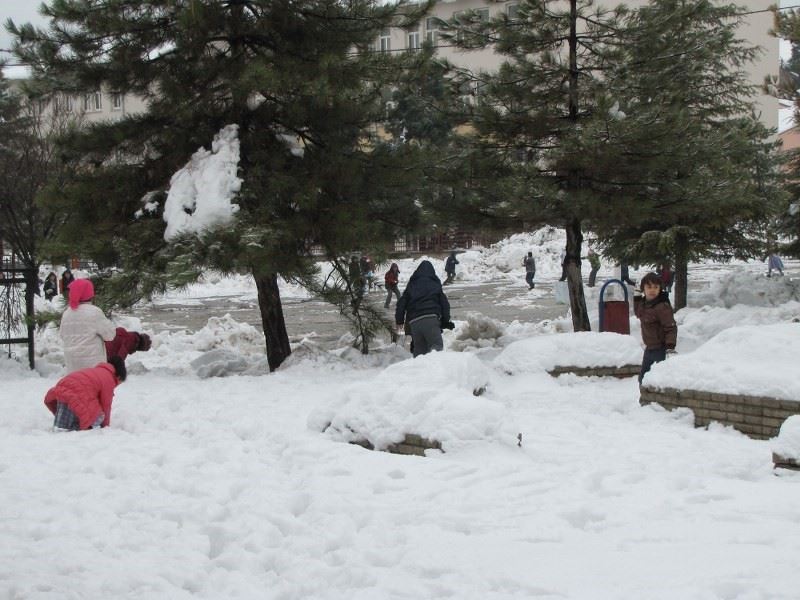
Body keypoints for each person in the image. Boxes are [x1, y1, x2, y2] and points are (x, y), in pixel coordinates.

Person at [44, 356, 127, 431]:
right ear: (118, 377)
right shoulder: (109, 379)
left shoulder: (96, 371)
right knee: (99, 417)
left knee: (62, 426)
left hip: (61, 393)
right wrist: (105, 427)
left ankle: (63, 426)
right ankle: (76, 428)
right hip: (75, 397)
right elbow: (106, 405)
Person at [395, 260, 453, 357]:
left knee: (419, 351)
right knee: (436, 347)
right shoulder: (435, 284)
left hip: (414, 322)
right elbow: (445, 304)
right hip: (431, 319)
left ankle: (419, 370)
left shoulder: (411, 285)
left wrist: (399, 320)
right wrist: (445, 321)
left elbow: (401, 303)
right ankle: (436, 371)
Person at [60, 278, 117, 373]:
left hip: (71, 363)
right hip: (92, 364)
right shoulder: (94, 312)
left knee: (77, 387)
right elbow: (110, 335)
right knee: (92, 387)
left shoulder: (67, 313)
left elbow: (62, 335)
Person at [633, 272, 678, 385]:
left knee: (661, 381)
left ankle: (658, 401)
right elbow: (638, 313)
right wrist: (637, 296)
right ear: (643, 288)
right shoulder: (644, 304)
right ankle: (646, 401)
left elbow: (670, 327)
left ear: (660, 289)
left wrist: (670, 347)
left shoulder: (662, 306)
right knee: (643, 379)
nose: (652, 290)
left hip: (661, 349)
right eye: (649, 287)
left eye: (656, 287)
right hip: (649, 349)